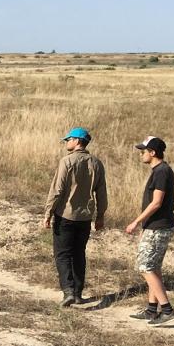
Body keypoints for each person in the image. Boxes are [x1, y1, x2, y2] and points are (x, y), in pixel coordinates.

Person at [42, 127, 107, 306]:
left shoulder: (67, 161)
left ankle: (68, 291)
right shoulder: (96, 163)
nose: (66, 142)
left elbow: (57, 190)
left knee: (62, 254)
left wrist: (48, 213)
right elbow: (101, 193)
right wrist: (100, 216)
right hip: (85, 218)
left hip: (65, 215)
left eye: (68, 139)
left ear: (77, 141)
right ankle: (78, 293)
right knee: (79, 254)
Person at [124, 136, 174, 324]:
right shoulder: (159, 170)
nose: (141, 155)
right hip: (158, 226)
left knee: (145, 266)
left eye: (143, 151)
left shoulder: (161, 172)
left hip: (159, 226)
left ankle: (167, 310)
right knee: (153, 267)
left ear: (152, 152)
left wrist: (136, 222)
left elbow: (156, 203)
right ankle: (151, 310)